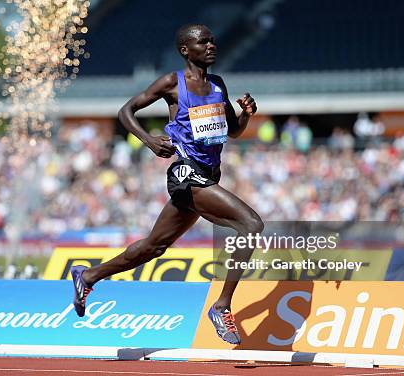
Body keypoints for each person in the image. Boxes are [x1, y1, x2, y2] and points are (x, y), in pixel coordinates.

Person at [70, 24, 263, 345]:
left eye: (213, 40)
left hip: (209, 175)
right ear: (186, 50)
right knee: (251, 225)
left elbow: (232, 132)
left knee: (154, 247)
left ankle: (89, 276)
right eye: (203, 42)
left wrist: (244, 116)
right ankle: (222, 305)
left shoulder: (218, 84)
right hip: (185, 174)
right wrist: (147, 139)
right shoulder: (172, 82)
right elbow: (126, 111)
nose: (211, 46)